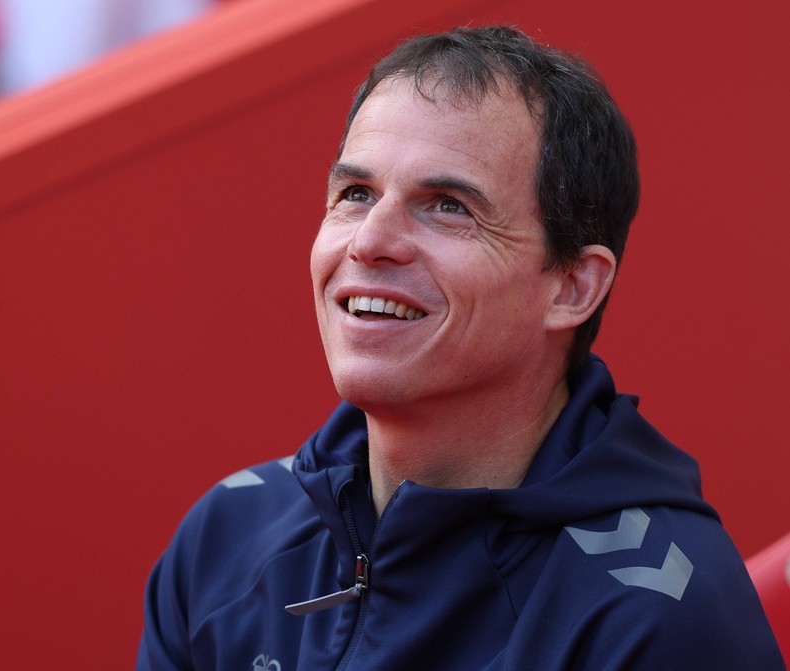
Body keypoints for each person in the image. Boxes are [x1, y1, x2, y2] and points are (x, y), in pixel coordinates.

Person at [137, 25, 785, 669]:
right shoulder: (227, 535)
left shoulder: (657, 620)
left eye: (447, 206)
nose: (370, 241)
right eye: (356, 194)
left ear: (572, 287)